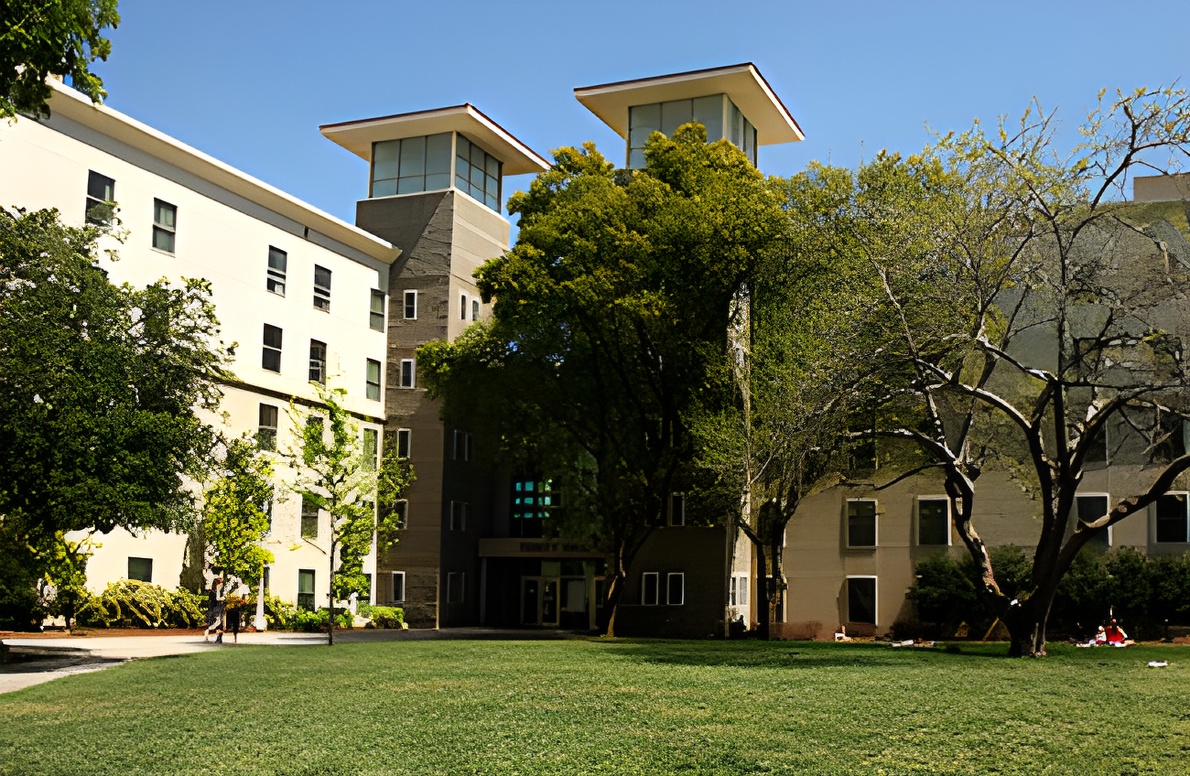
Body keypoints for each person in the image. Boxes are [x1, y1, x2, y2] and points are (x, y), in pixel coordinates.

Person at [204, 576, 226, 643]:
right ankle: (208, 632)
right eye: (220, 583)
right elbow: (215, 599)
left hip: (220, 608)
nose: (221, 585)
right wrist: (221, 598)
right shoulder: (213, 592)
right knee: (216, 622)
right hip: (215, 609)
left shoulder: (221, 590)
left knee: (220, 623)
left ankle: (219, 638)